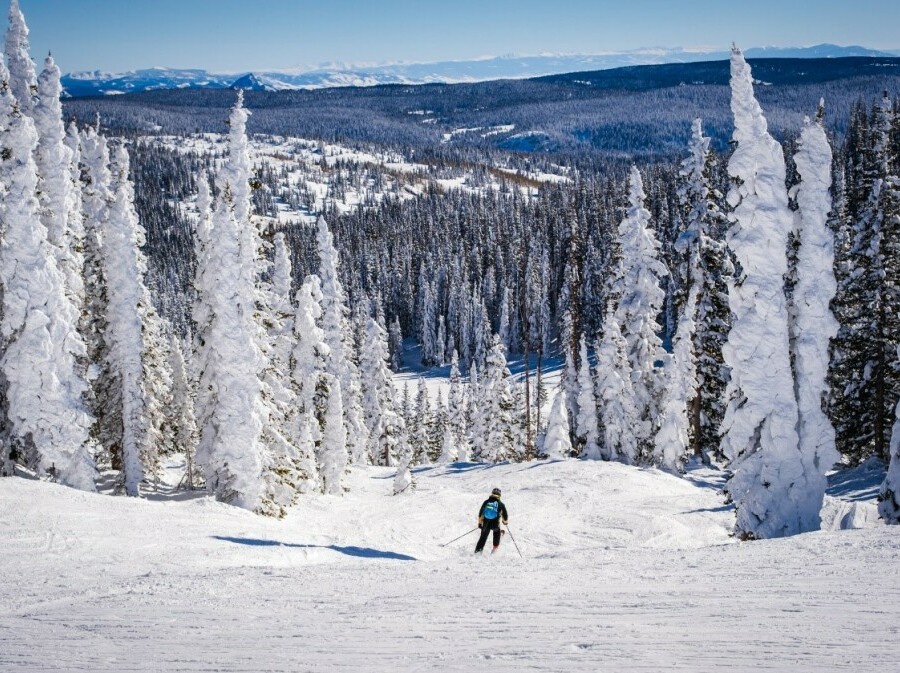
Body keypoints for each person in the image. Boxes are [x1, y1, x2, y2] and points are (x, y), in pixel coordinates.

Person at [474, 487, 508, 554]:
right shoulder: (501, 504)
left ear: (492, 493)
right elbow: (505, 516)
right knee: (496, 533)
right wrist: (505, 522)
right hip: (495, 524)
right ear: (499, 495)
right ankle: (494, 550)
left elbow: (481, 513)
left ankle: (478, 551)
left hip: (486, 524)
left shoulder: (486, 502)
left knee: (483, 537)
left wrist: (480, 523)